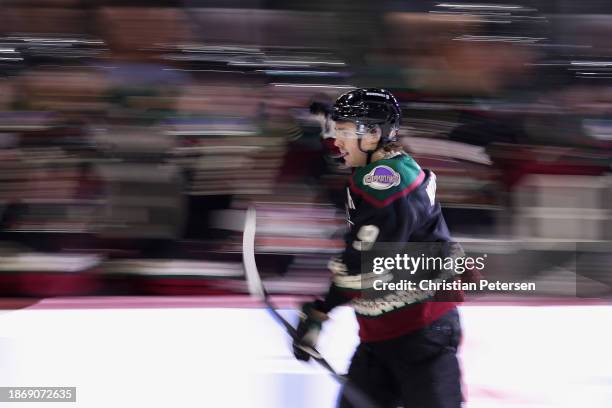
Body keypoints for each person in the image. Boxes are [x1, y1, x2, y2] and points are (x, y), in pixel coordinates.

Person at [293, 88, 464, 408]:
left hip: (421, 334)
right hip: (383, 335)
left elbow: (364, 264)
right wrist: (321, 311)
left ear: (373, 135)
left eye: (343, 132)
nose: (335, 141)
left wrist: (321, 310)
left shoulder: (385, 183)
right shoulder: (381, 171)